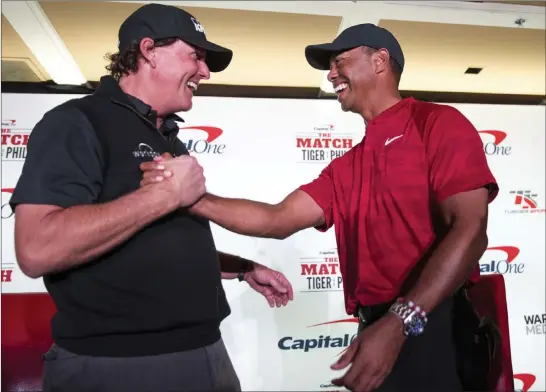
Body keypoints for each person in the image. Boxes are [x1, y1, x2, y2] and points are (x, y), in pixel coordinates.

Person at [141, 23, 499, 391]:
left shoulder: (437, 124)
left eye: (340, 61)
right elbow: (276, 219)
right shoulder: (348, 166)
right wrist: (190, 198)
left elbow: (470, 231)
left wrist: (400, 321)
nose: (330, 74)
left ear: (379, 62)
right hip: (379, 327)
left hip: (431, 322)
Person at [9, 4, 293, 392]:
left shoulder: (166, 137)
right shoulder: (76, 122)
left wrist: (241, 268)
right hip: (122, 366)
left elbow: (151, 243)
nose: (206, 72)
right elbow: (37, 248)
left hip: (206, 352)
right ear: (148, 51)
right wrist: (164, 196)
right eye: (196, 55)